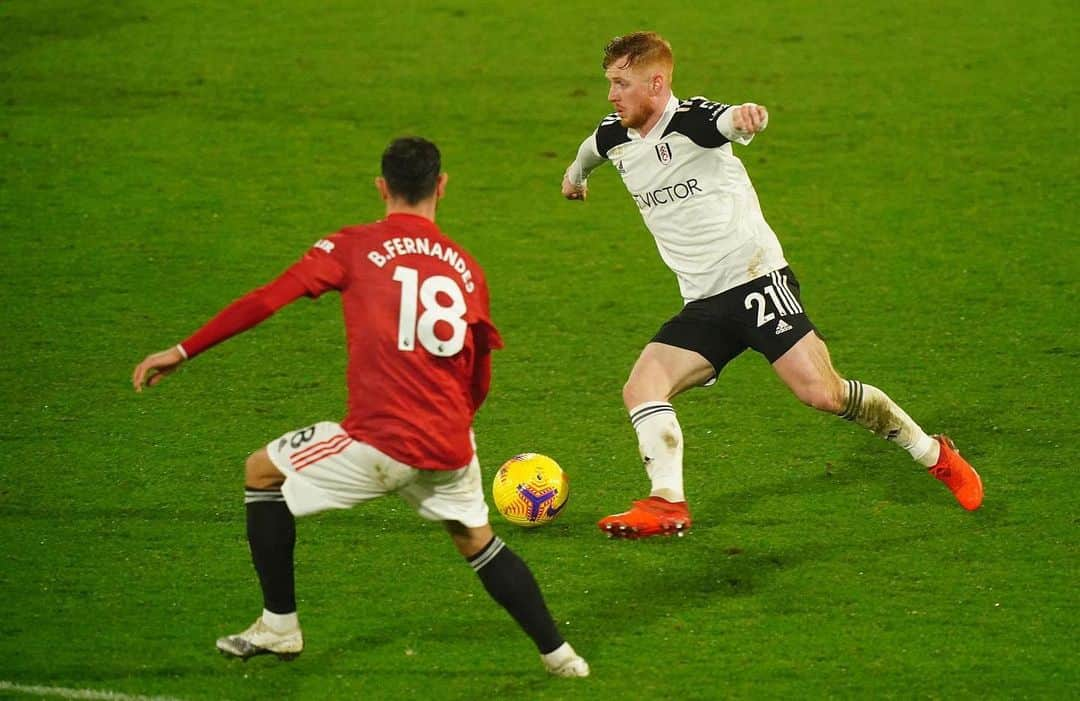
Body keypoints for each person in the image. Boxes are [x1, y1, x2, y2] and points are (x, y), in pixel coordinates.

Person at [133, 137, 589, 677]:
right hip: (449, 439)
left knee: (260, 472)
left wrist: (183, 350)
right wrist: (454, 425)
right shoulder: (466, 267)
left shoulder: (352, 246)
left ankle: (280, 625)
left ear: (382, 187)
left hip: (381, 440)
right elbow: (480, 365)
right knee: (476, 540)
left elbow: (265, 300)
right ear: (441, 186)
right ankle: (563, 659)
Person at [560, 32, 983, 539]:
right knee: (642, 387)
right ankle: (667, 503)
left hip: (755, 282)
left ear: (656, 82)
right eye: (609, 83)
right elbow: (590, 150)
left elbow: (726, 120)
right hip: (702, 305)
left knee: (823, 394)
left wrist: (745, 118)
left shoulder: (694, 122)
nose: (612, 94)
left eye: (621, 83)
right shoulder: (615, 135)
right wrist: (575, 178)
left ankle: (933, 454)